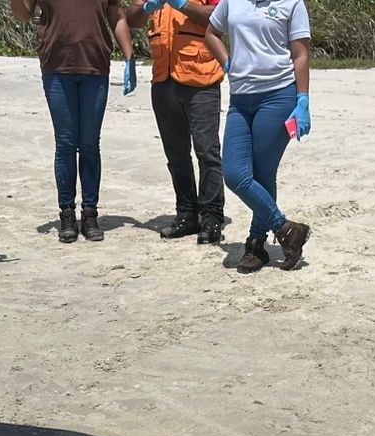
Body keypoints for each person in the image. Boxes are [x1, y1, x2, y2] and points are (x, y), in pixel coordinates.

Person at [13, 0, 138, 243]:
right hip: (56, 65)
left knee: (90, 144)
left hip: (95, 64)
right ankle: (67, 214)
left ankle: (90, 213)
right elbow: (24, 14)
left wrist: (129, 55)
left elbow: (116, 13)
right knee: (66, 144)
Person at [204, 0, 312, 273]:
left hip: (278, 96)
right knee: (234, 174)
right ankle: (285, 228)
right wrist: (227, 62)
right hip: (240, 100)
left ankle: (256, 244)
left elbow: (300, 54)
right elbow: (211, 33)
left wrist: (303, 100)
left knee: (263, 173)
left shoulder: (292, 3)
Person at [126, 0, 225, 245]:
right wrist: (144, 8)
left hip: (201, 78)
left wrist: (182, 4)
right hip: (163, 78)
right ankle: (186, 213)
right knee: (176, 155)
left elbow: (219, 16)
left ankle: (212, 217)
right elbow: (132, 20)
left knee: (207, 152)